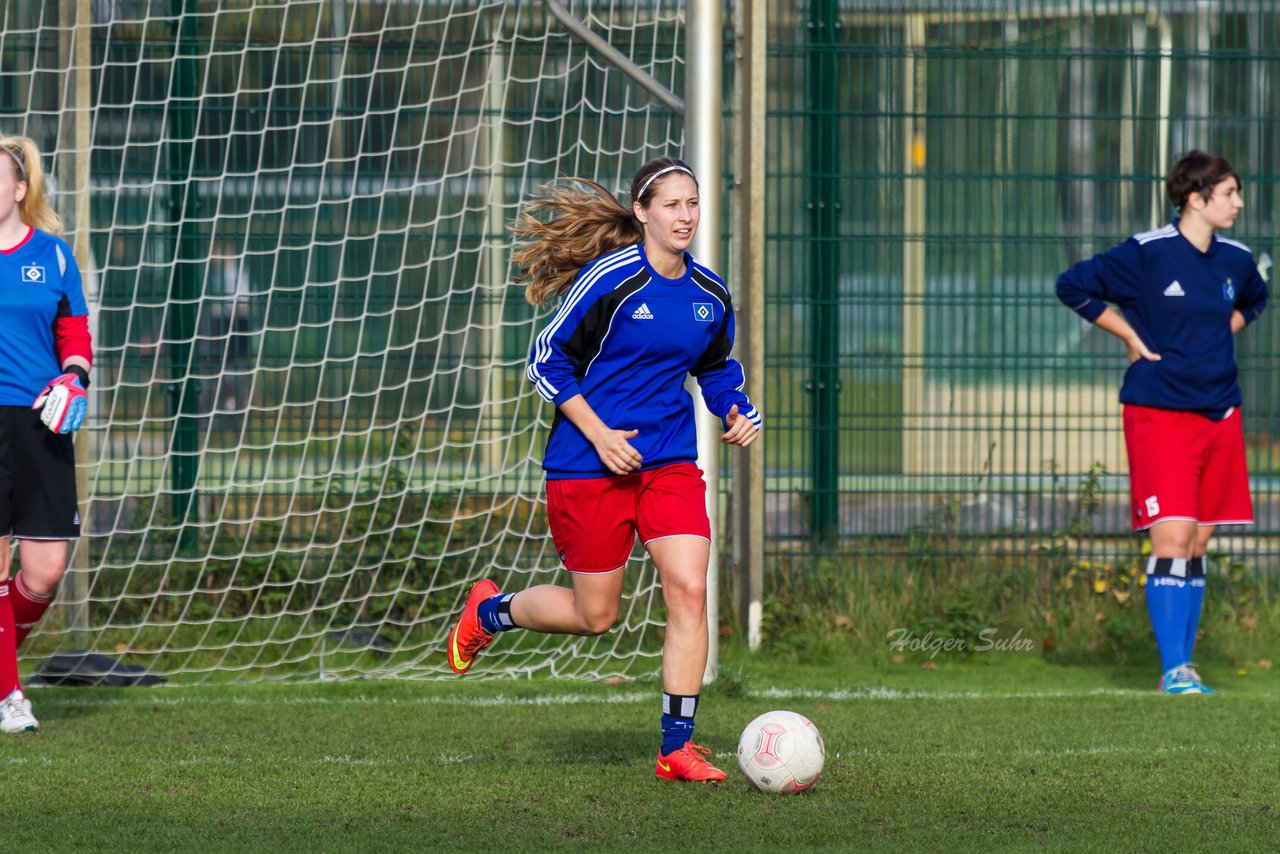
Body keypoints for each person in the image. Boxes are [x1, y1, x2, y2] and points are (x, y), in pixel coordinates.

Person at [445, 156, 761, 781]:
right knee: (596, 616)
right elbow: (546, 360)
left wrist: (736, 409)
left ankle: (676, 748)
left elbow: (717, 368)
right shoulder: (609, 280)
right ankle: (490, 611)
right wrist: (599, 433)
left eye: (692, 203)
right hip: (588, 465)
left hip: (668, 462)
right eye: (671, 204)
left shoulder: (710, 293)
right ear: (642, 212)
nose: (685, 216)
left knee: (691, 590)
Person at [1056, 150, 1267, 694]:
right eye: (1229, 194)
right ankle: (1173, 670)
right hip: (1160, 413)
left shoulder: (1237, 260)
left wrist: (1216, 340)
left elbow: (1256, 300)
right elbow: (1072, 285)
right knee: (1171, 539)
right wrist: (1129, 336)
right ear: (1195, 199)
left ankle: (1185, 667)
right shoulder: (1147, 254)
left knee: (1197, 544)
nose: (1239, 203)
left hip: (1220, 413)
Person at [0, 135, 94, 732]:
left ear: (18, 189)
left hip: (39, 423)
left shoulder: (54, 256)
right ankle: (11, 698)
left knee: (44, 571)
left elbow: (75, 336)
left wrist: (76, 380)